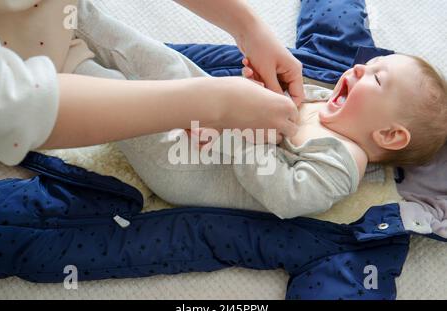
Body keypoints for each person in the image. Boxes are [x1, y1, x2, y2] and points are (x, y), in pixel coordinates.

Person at [118, 53, 447, 219]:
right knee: (170, 65)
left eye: (376, 79)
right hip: (211, 117)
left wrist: (235, 137)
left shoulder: (344, 162)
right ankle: (85, 21)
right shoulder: (326, 103)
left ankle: (77, 70)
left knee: (122, 103)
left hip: (191, 168)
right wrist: (263, 89)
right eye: (368, 64)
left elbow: (288, 196)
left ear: (389, 134)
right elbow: (279, 106)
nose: (358, 69)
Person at [0, 0, 303, 166]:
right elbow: (16, 105)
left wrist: (247, 26)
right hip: (24, 71)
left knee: (169, 70)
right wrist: (215, 103)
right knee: (165, 149)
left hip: (60, 19)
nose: (353, 72)